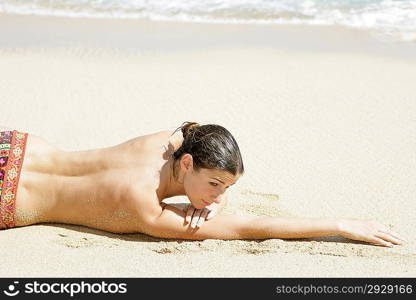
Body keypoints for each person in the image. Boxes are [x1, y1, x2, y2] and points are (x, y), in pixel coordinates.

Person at [0, 122, 405, 248]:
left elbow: (194, 126)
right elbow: (251, 228)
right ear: (188, 163)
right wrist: (340, 223)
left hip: (17, 146)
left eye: (226, 187)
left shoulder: (169, 140)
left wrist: (214, 198)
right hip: (11, 197)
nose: (219, 195)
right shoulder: (144, 207)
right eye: (214, 183)